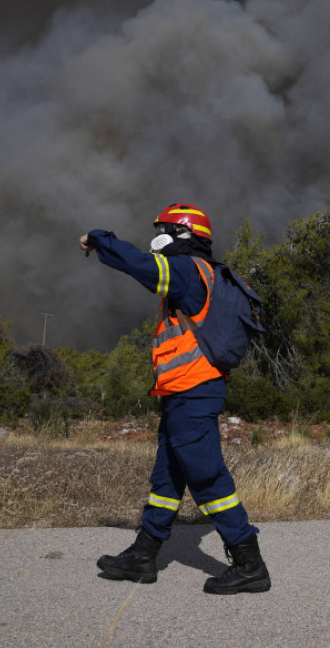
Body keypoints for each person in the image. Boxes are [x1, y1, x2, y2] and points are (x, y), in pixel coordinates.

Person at [81, 203, 271, 594]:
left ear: (181, 234)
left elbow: (142, 266)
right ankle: (143, 555)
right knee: (166, 479)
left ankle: (250, 562)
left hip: (193, 391)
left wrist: (100, 240)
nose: (158, 237)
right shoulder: (203, 273)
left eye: (163, 229)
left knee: (208, 478)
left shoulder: (186, 270)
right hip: (183, 393)